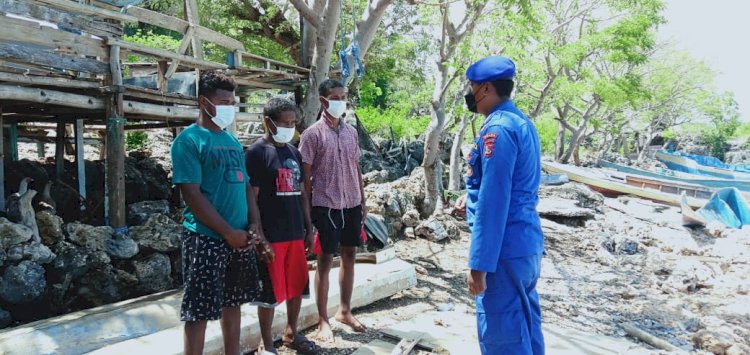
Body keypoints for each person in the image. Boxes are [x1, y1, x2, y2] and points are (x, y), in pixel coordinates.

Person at [170, 71, 271, 355]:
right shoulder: (189, 141)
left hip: (241, 236)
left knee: (233, 302)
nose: (230, 107)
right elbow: (191, 193)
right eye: (224, 101)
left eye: (233, 101)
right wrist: (227, 233)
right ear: (204, 102)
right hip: (206, 237)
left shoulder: (232, 142)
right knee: (198, 310)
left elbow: (247, 188)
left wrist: (255, 226)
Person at [463, 56, 545, 355]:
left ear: (484, 89)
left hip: (503, 250)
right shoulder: (521, 122)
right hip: (525, 243)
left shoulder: (497, 129)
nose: (469, 94)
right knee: (525, 324)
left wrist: (479, 264)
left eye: (471, 87)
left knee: (502, 337)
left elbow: (494, 201)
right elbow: (513, 184)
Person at [245, 97, 320, 354]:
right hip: (272, 234)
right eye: (285, 123)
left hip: (294, 233)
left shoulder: (293, 152)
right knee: (269, 293)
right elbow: (251, 197)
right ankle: (266, 344)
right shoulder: (256, 153)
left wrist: (308, 229)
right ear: (269, 122)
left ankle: (291, 332)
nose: (291, 127)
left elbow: (301, 193)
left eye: (293, 122)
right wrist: (258, 233)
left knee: (297, 285)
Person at [299, 79, 367, 341]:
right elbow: (305, 178)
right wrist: (307, 215)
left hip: (350, 202)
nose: (341, 100)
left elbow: (356, 167)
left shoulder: (351, 132)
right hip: (325, 204)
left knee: (349, 255)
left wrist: (362, 199)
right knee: (325, 260)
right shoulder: (312, 134)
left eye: (344, 95)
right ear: (324, 101)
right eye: (335, 96)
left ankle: (344, 311)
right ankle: (322, 319)